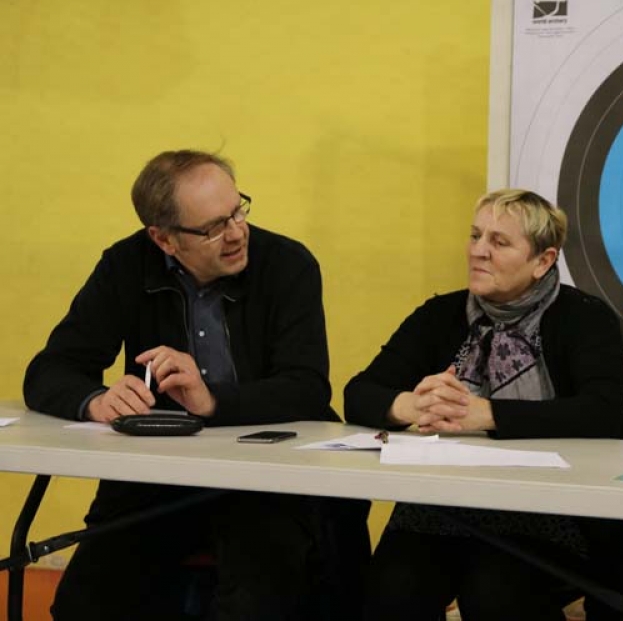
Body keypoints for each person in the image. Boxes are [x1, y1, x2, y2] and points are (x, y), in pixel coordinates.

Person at [23, 149, 370, 621]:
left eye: (238, 211)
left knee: (256, 598)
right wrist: (95, 400)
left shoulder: (287, 264)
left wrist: (212, 401)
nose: (237, 233)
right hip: (161, 477)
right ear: (163, 239)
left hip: (269, 478)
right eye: (213, 228)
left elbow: (307, 387)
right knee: (84, 603)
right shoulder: (126, 265)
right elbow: (50, 369)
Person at [345, 189, 623, 621]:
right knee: (391, 588)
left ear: (543, 261)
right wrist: (412, 406)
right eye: (475, 236)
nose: (478, 251)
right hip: (442, 507)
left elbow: (600, 410)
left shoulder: (584, 317)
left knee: (497, 592)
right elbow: (358, 394)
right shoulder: (439, 315)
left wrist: (487, 414)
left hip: (549, 510)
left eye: (499, 242)